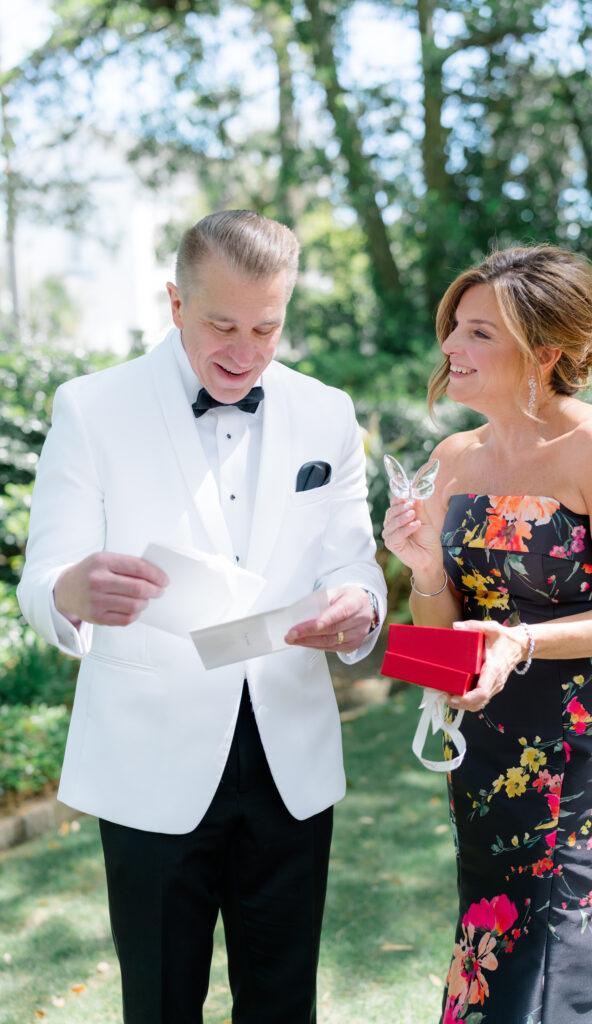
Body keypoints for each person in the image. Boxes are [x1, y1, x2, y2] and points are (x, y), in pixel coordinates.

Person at [17, 209, 386, 1024]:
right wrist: (72, 594)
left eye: (266, 327)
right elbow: (42, 580)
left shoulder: (325, 411)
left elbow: (353, 564)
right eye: (222, 323)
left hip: (290, 760)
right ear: (175, 305)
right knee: (158, 1002)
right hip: (149, 759)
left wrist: (360, 605)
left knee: (284, 1001)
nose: (245, 351)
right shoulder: (90, 408)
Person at [382, 245, 592, 1023]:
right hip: (486, 740)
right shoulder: (451, 459)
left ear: (543, 352)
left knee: (575, 928)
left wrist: (524, 641)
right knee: (495, 927)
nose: (451, 345)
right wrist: (421, 571)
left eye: (480, 333)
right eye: (454, 326)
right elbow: (441, 634)